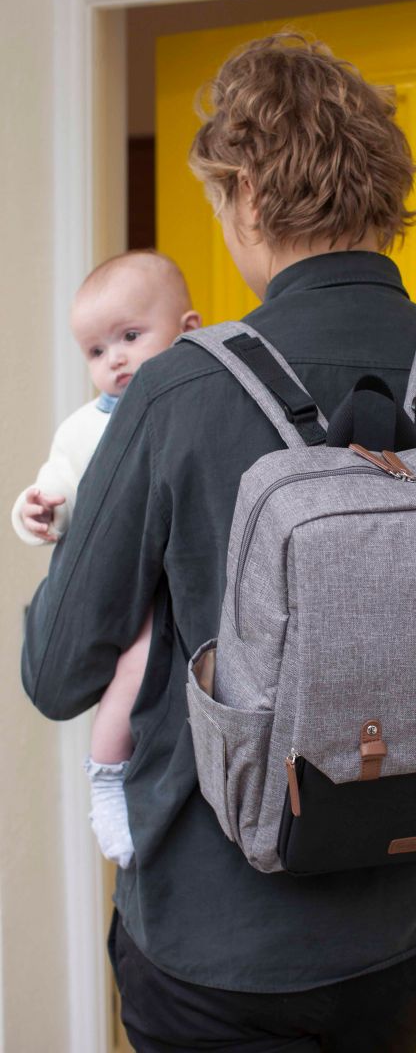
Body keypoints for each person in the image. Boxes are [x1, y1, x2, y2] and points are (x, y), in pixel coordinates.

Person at [23, 34, 416, 1052]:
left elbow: (58, 673)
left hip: (211, 941)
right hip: (412, 922)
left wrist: (74, 505)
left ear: (242, 194)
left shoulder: (176, 393)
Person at [14, 251, 201, 868]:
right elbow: (56, 489)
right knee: (134, 668)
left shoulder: (207, 403)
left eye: (129, 337)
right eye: (96, 352)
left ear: (189, 330)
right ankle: (106, 777)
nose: (114, 359)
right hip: (138, 594)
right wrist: (36, 510)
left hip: (200, 583)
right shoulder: (81, 431)